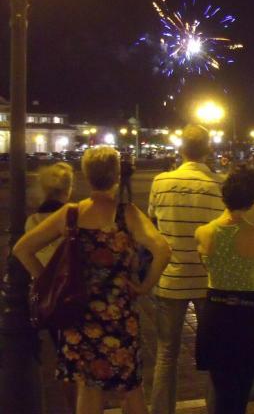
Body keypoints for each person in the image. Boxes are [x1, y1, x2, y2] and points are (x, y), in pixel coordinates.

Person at [14, 147, 171, 414]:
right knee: (131, 388)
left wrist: (48, 281)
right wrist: (144, 286)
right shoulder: (127, 214)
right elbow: (163, 250)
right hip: (120, 314)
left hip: (80, 313)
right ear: (117, 176)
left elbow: (23, 249)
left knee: (88, 388)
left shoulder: (71, 214)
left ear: (86, 176)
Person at [148, 125, 225, 414]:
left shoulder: (161, 182)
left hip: (170, 279)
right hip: (208, 280)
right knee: (214, 353)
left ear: (181, 149)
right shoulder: (218, 186)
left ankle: (161, 410)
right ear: (208, 150)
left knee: (166, 353)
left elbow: (153, 223)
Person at [195, 166, 254, 414]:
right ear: (252, 201)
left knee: (221, 386)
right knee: (242, 387)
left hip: (215, 313)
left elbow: (207, 266)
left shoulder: (203, 233)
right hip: (248, 315)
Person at [25, 162, 78, 413]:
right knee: (79, 356)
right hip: (75, 293)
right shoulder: (74, 216)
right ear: (67, 188)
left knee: (62, 355)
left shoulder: (33, 221)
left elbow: (26, 254)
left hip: (51, 299)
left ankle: (71, 406)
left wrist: (44, 281)